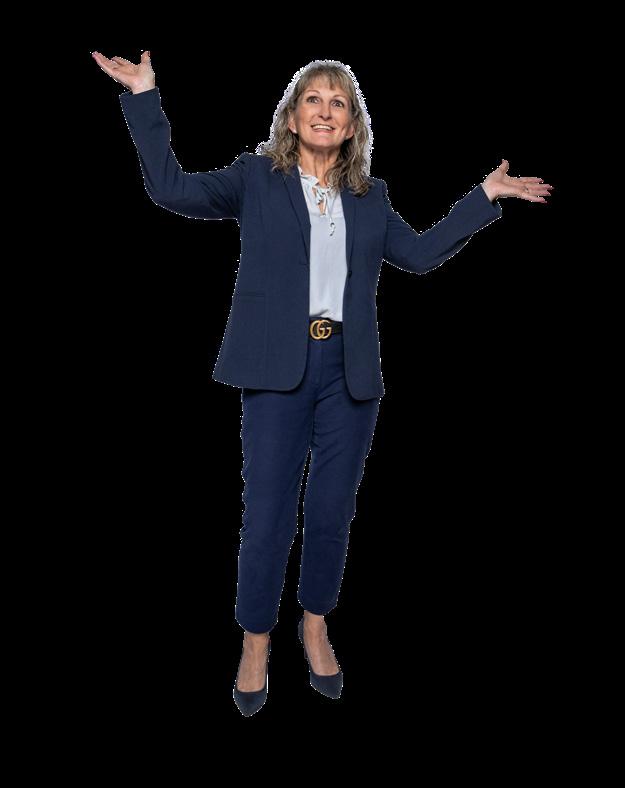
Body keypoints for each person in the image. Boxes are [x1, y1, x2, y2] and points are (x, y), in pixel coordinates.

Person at [92, 51, 554, 716]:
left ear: (352, 125)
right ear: (291, 116)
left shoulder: (370, 196)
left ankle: (314, 625)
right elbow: (169, 188)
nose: (325, 110)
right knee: (267, 516)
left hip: (348, 374)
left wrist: (483, 197)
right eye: (313, 98)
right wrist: (143, 96)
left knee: (332, 513)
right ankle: (255, 639)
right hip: (276, 371)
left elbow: (419, 255)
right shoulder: (255, 178)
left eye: (339, 102)